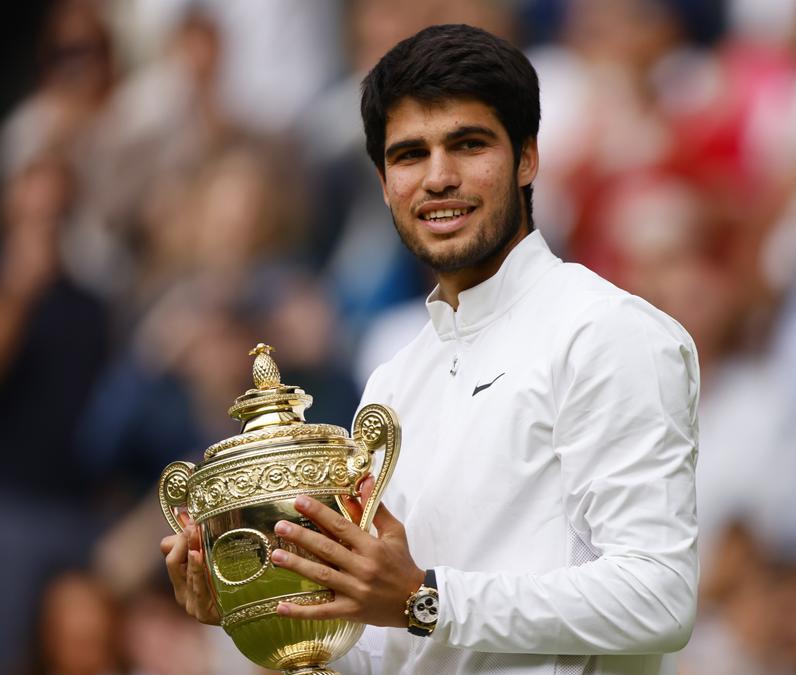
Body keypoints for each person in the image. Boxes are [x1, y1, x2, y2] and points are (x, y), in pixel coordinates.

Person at [160, 23, 701, 674]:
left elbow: (658, 596)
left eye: (468, 145)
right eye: (410, 154)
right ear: (385, 182)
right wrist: (260, 610)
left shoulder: (606, 333)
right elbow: (395, 651)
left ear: (527, 157)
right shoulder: (392, 379)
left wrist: (424, 597)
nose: (438, 177)